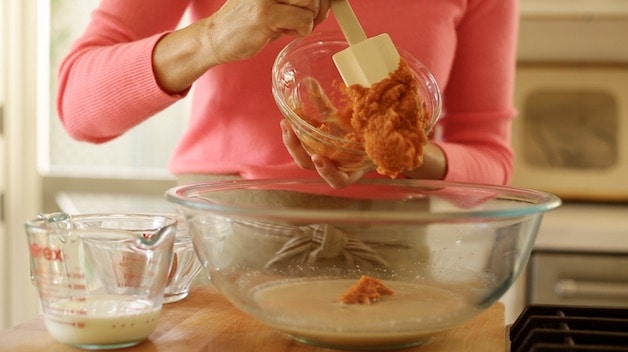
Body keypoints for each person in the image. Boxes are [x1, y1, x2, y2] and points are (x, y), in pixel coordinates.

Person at [57, 0, 518, 189]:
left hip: (395, 243)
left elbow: (490, 159)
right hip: (225, 229)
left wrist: (398, 149)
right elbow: (78, 105)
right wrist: (213, 37)